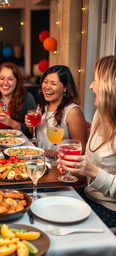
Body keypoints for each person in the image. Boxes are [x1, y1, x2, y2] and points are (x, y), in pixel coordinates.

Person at [57, 56, 116, 228]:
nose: (91, 86)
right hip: (88, 195)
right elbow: (92, 163)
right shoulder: (100, 114)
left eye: (96, 80)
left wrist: (93, 172)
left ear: (109, 87)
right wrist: (77, 169)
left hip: (110, 209)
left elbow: (97, 171)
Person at [25, 65, 87, 151]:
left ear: (65, 88)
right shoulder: (42, 106)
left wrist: (51, 153)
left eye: (53, 83)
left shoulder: (73, 112)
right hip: (40, 161)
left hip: (60, 162)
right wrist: (31, 126)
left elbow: (81, 150)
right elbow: (36, 135)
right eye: (45, 82)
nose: (47, 87)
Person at [0, 62, 36, 137]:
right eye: (2, 78)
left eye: (10, 79)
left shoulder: (27, 98)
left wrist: (11, 122)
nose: (5, 83)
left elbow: (31, 132)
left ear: (17, 81)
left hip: (18, 144)